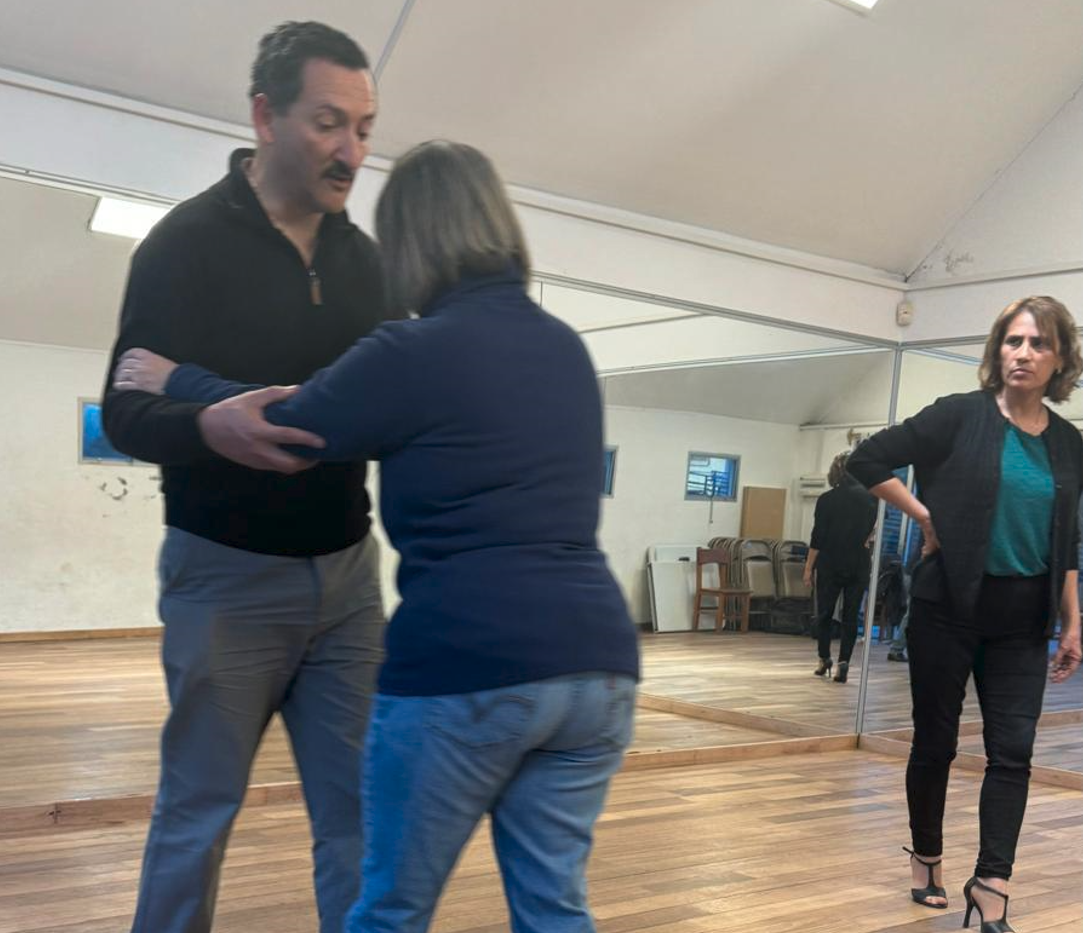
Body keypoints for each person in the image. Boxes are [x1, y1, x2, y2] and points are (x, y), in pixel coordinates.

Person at [116, 140, 641, 933]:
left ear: (410, 240)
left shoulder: (414, 347)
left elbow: (287, 425)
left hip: (467, 660)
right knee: (555, 906)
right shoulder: (564, 346)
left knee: (390, 908)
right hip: (598, 669)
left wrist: (178, 379)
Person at [103, 22, 388, 933]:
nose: (351, 151)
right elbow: (123, 407)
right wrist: (207, 422)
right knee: (197, 816)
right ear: (265, 116)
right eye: (328, 123)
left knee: (359, 822)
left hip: (348, 582)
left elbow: (377, 404)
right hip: (224, 580)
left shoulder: (365, 261)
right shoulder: (183, 245)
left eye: (365, 127)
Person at [847, 296, 1083, 931]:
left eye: (1038, 344)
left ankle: (992, 885)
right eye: (1013, 341)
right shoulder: (957, 417)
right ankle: (926, 860)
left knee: (1014, 753)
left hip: (1023, 619)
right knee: (936, 743)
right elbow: (866, 460)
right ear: (996, 350)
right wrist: (923, 514)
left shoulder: (1069, 445)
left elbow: (1067, 540)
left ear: (1060, 358)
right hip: (946, 609)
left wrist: (1073, 620)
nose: (1023, 354)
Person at [802, 451, 878, 683]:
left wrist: (808, 569)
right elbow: (871, 532)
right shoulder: (870, 499)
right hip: (858, 562)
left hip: (830, 561)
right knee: (851, 615)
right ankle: (844, 662)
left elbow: (818, 538)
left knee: (824, 613)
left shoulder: (826, 500)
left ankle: (824, 658)